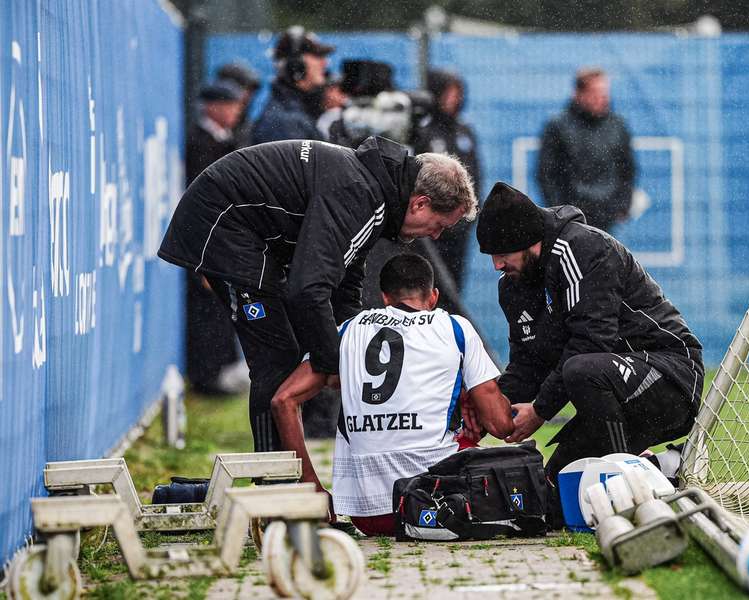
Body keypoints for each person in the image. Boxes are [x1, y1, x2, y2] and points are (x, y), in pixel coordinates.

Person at [158, 136, 477, 480]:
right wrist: (334, 363)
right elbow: (308, 290)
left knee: (289, 351)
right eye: (440, 225)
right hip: (222, 222)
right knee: (277, 358)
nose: (436, 236)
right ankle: (275, 486)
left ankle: (280, 480)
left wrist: (356, 348)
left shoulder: (376, 194)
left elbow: (345, 284)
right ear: (420, 203)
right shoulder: (360, 193)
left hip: (250, 228)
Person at [475, 182, 703, 484]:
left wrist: (540, 411)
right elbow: (528, 363)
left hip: (670, 376)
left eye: (503, 253)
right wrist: (488, 410)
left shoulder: (584, 249)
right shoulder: (513, 285)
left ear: (529, 240)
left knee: (581, 368)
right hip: (609, 385)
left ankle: (625, 482)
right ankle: (665, 466)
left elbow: (591, 342)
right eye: (491, 255)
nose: (496, 265)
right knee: (555, 491)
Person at [271, 254, 513, 535]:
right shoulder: (454, 327)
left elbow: (283, 400)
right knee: (477, 442)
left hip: (370, 516)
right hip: (436, 502)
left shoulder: (348, 330)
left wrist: (310, 484)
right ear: (433, 296)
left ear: (385, 297)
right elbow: (500, 425)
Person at [184, 81, 245, 395]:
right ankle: (206, 375)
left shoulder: (226, 141)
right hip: (206, 239)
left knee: (221, 307)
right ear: (212, 106)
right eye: (230, 105)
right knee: (206, 308)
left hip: (224, 237)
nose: (236, 112)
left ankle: (219, 369)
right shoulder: (199, 143)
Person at [412, 69, 482, 308]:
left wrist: (467, 219)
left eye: (458, 93)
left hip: (459, 230)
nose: (454, 99)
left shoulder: (465, 132)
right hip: (429, 232)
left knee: (453, 287)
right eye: (449, 93)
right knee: (428, 283)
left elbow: (475, 178)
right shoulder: (422, 132)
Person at [537, 67, 635, 232]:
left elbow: (627, 169)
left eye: (605, 92)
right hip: (571, 217)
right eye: (596, 92)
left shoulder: (618, 126)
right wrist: (559, 211)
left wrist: (622, 204)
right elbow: (547, 173)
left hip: (606, 215)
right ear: (578, 93)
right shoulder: (558, 126)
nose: (602, 98)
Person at [252, 26, 333, 144]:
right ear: (296, 65)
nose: (324, 62)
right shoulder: (284, 122)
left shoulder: (297, 111)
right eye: (317, 56)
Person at [215, 62, 261, 148]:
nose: (247, 96)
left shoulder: (248, 127)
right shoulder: (208, 131)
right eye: (244, 88)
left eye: (251, 90)